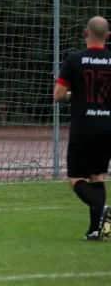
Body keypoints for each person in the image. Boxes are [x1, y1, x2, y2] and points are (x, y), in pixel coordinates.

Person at [54, 15, 111, 241]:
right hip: (107, 126)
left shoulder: (74, 60)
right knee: (97, 176)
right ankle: (95, 230)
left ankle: (103, 208)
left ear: (85, 33)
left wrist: (73, 94)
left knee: (76, 179)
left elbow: (58, 95)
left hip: (83, 126)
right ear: (107, 36)